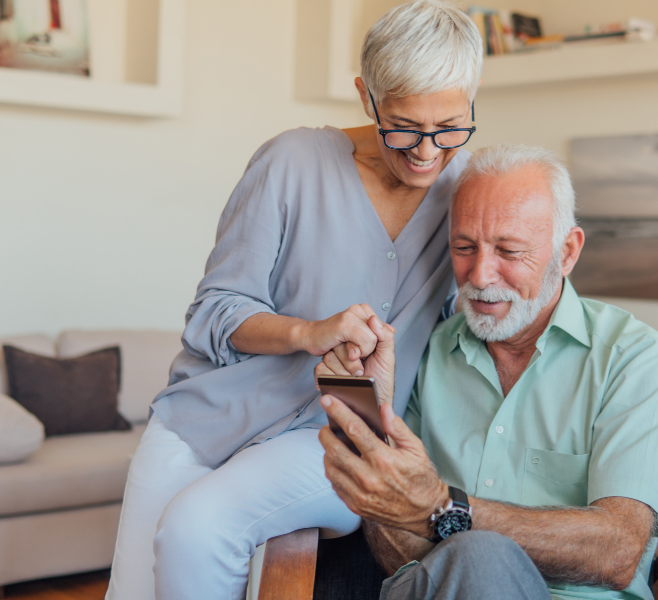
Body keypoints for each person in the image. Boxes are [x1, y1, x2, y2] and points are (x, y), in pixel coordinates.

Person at [105, 3, 484, 599]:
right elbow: (214, 312)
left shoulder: (469, 192)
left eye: (450, 127)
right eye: (405, 126)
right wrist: (308, 333)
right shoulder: (292, 162)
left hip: (340, 432)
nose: (427, 152)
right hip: (207, 417)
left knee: (195, 532)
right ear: (367, 98)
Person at [316, 144, 658, 600]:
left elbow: (618, 551)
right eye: (463, 247)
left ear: (566, 252)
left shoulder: (638, 358)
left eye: (509, 250)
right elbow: (400, 556)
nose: (481, 275)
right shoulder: (427, 350)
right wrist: (370, 417)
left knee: (481, 555)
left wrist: (442, 508)